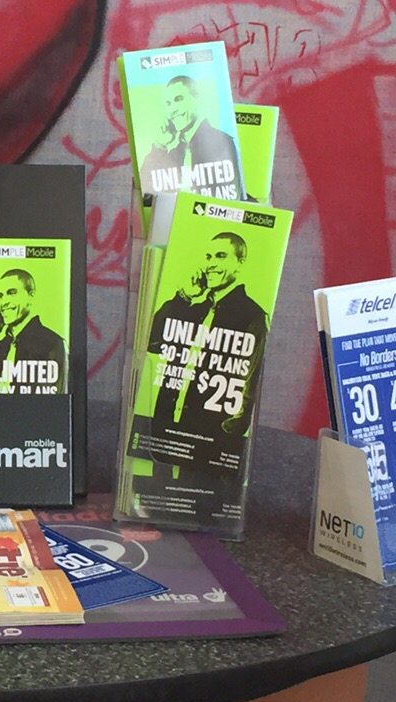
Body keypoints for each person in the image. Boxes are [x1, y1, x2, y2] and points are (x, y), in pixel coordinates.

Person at [145, 231, 268, 443]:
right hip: (163, 431)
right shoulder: (193, 307)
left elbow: (251, 388)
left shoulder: (253, 316)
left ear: (240, 263)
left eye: (220, 256)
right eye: (208, 257)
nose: (211, 264)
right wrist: (183, 296)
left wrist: (226, 436)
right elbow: (151, 342)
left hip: (210, 440)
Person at [0, 268, 67, 393]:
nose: (4, 302)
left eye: (11, 293)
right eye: (1, 295)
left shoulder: (53, 344)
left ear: (31, 296)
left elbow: (55, 396)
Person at [138, 75, 242, 201]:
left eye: (178, 99)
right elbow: (146, 198)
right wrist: (159, 146)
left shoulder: (220, 142)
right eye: (168, 104)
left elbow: (229, 200)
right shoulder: (174, 151)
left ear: (197, 99)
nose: (172, 110)